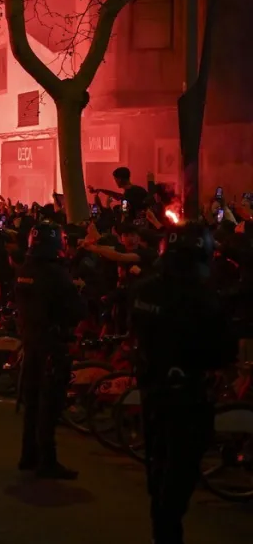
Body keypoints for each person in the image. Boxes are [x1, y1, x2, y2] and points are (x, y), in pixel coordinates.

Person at [130, 222, 237, 544]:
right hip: (188, 399)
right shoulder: (206, 300)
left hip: (151, 393)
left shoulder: (144, 290)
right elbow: (222, 353)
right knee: (180, 474)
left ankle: (161, 530)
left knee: (158, 468)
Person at [14, 220, 86, 479]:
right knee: (49, 405)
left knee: (32, 403)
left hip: (31, 342)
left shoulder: (25, 269)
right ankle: (47, 460)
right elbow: (76, 310)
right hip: (52, 346)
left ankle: (28, 455)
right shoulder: (55, 274)